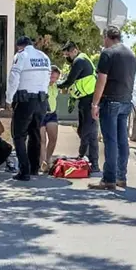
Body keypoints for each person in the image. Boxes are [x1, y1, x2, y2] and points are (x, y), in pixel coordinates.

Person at [89, 26, 136, 190]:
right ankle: (120, 177)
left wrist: (95, 104)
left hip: (110, 101)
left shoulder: (107, 53)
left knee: (110, 141)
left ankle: (108, 179)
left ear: (107, 37)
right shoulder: (131, 54)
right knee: (122, 141)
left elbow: (101, 80)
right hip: (125, 101)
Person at [6, 36, 51, 181]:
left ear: (20, 46)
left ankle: (24, 171)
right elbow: (47, 79)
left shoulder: (21, 55)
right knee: (35, 134)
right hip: (42, 101)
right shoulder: (44, 56)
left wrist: (9, 99)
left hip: (25, 101)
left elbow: (13, 78)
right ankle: (34, 169)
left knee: (18, 135)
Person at [58, 41, 100, 172]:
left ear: (74, 51)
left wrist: (55, 84)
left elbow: (69, 81)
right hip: (85, 100)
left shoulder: (79, 61)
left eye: (68, 55)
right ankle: (88, 160)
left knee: (87, 132)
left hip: (89, 101)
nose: (67, 58)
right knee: (84, 130)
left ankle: (87, 159)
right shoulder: (82, 59)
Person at [40, 65, 61, 172]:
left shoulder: (55, 86)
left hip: (52, 114)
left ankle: (48, 159)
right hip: (41, 114)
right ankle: (42, 163)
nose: (54, 80)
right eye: (52, 77)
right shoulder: (42, 85)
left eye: (56, 78)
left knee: (53, 138)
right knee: (42, 140)